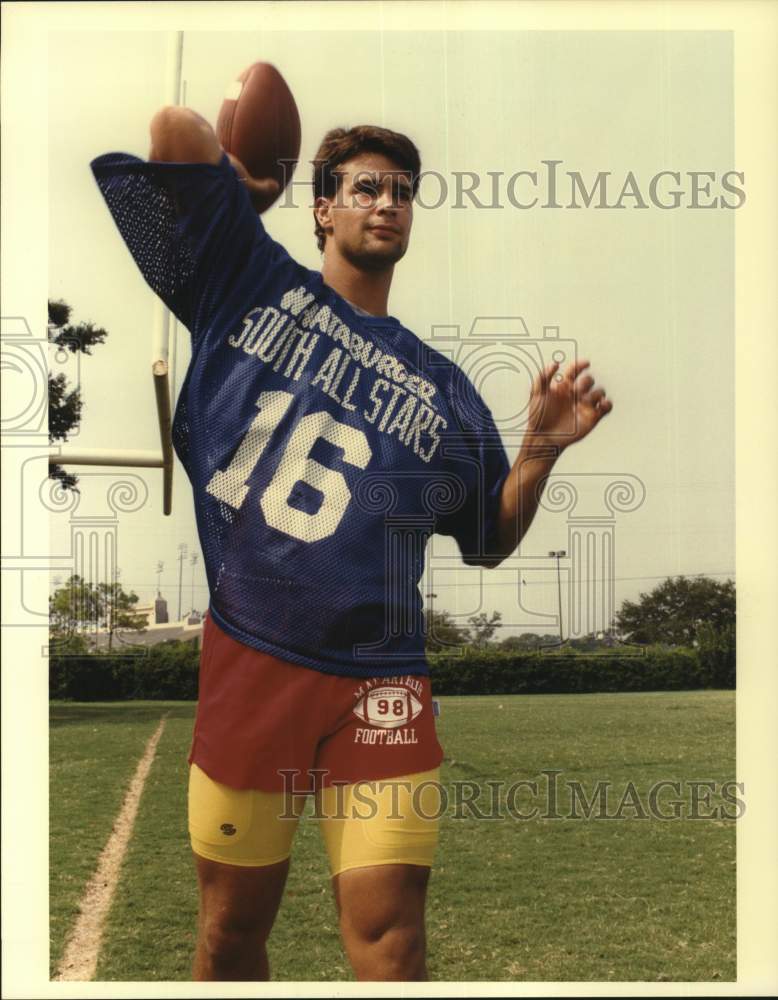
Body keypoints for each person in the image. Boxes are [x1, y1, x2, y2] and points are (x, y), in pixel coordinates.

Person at [90, 103, 612, 982]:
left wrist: (540, 452)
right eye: (365, 187)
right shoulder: (249, 278)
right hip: (255, 656)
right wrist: (240, 188)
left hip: (383, 677)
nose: (388, 203)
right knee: (230, 935)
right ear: (322, 209)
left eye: (403, 191)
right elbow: (172, 128)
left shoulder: (445, 391)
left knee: (392, 941)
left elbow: (488, 538)